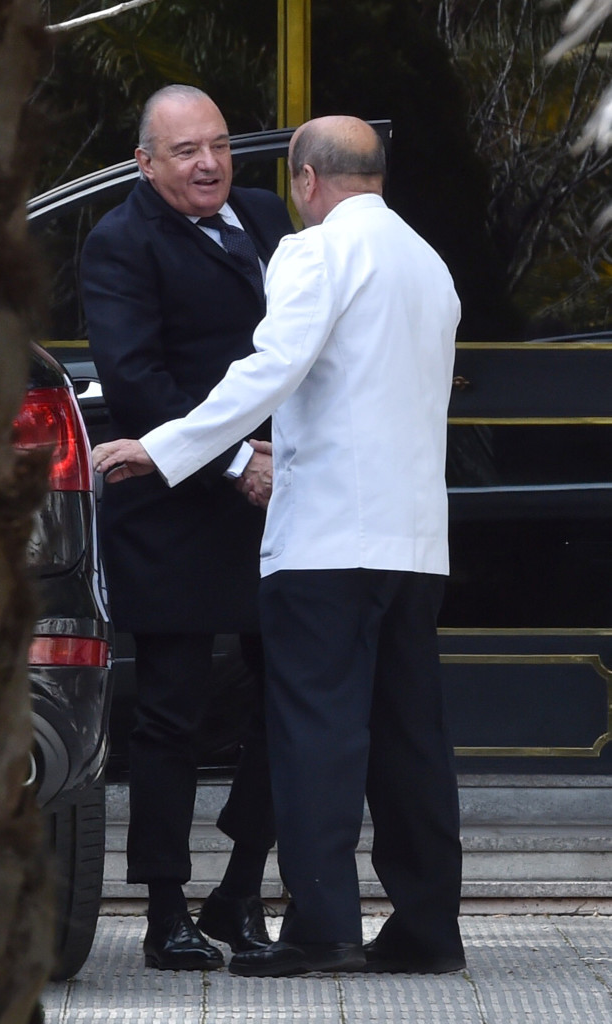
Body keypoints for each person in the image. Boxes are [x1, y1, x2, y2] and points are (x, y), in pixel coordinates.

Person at [92, 115, 466, 979]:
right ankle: (426, 929)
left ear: (303, 180)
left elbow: (271, 365)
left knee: (317, 736)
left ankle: (323, 928)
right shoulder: (428, 263)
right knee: (409, 740)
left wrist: (165, 446)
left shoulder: (314, 251)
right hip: (413, 544)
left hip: (327, 539)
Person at [80, 84, 294, 972]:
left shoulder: (268, 214)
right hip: (172, 505)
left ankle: (241, 889)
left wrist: (278, 461)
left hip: (280, 503)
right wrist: (238, 458)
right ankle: (164, 910)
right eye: (184, 152)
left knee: (291, 700)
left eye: (218, 145)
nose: (208, 165)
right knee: (170, 717)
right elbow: (136, 381)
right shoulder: (117, 241)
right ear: (145, 162)